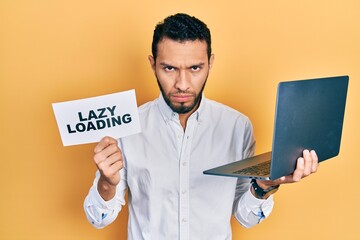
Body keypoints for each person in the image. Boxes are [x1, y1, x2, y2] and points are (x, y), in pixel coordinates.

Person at [84, 13, 319, 239]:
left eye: (195, 68)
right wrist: (106, 183)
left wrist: (266, 184)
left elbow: (246, 217)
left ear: (210, 63)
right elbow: (98, 218)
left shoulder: (237, 126)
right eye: (169, 68)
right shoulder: (127, 127)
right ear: (153, 64)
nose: (182, 84)